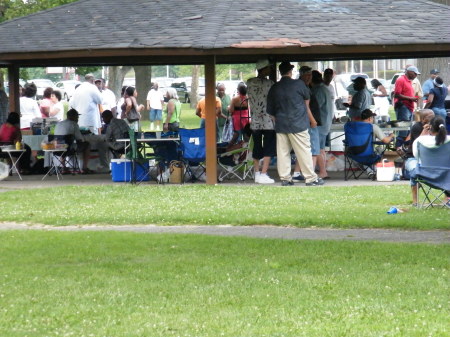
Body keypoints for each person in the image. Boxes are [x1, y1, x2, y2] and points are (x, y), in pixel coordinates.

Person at [266, 61, 323, 187]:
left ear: (280, 72)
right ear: (291, 72)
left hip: (281, 124)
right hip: (299, 124)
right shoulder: (299, 84)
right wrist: (312, 120)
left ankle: (285, 178)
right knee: (304, 151)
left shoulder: (275, 87)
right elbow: (307, 102)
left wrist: (279, 120)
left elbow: (270, 111)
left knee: (283, 152)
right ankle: (311, 178)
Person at [406, 116, 450, 206]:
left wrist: (424, 133)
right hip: (447, 176)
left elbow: (417, 157)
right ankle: (447, 198)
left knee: (412, 165)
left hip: (425, 176)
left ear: (430, 127)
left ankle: (415, 201)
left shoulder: (420, 140)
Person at [247, 59, 276, 184]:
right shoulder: (270, 84)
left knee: (257, 146)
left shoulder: (250, 82)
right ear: (264, 69)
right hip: (268, 120)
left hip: (255, 120)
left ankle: (257, 172)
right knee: (269, 147)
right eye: (268, 68)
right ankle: (264, 173)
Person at [53, 108, 94, 174]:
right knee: (87, 145)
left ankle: (64, 168)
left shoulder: (59, 124)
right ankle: (84, 168)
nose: (78, 119)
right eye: (77, 117)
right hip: (69, 149)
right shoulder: (73, 124)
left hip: (57, 149)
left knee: (63, 145)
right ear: (74, 117)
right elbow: (79, 139)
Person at [291, 65, 313, 182]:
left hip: (302, 120)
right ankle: (301, 173)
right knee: (303, 148)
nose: (309, 77)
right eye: (307, 75)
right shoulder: (300, 86)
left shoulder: (306, 86)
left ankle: (298, 172)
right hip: (301, 121)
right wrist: (313, 120)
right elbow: (306, 106)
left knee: (303, 148)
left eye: (311, 75)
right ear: (302, 75)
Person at [311, 70, 332, 179]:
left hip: (319, 124)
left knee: (317, 148)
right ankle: (323, 171)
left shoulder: (318, 90)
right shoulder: (325, 89)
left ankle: (323, 172)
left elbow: (315, 107)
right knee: (321, 149)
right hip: (325, 123)